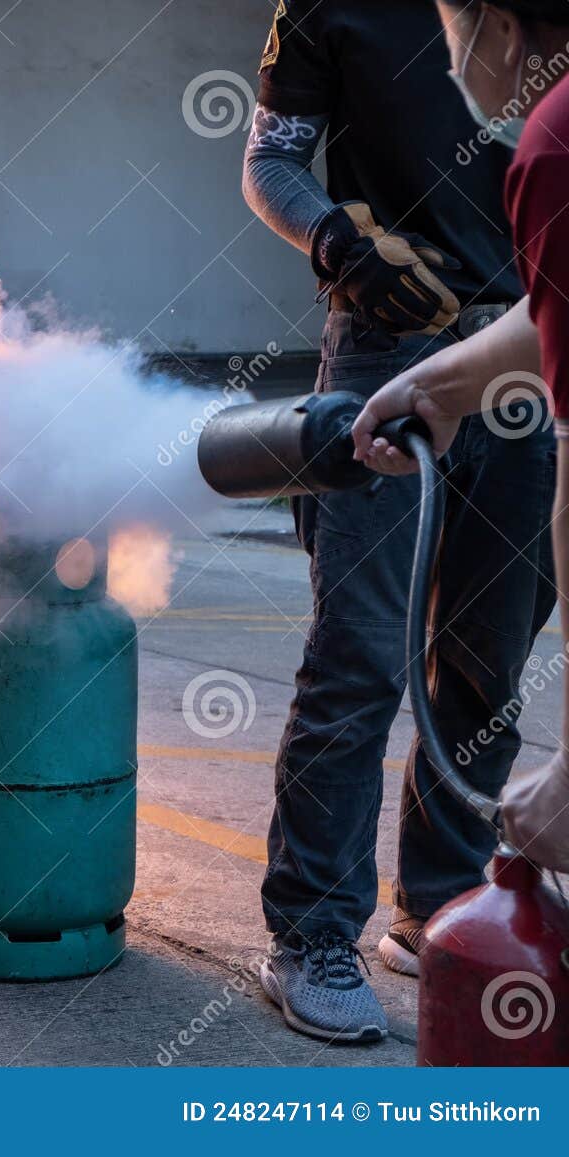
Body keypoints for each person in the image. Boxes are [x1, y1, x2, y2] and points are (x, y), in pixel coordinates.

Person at [241, 0, 556, 1043]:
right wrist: (334, 237)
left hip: (521, 347)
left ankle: (441, 903)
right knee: (358, 657)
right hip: (384, 346)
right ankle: (311, 932)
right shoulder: (328, 6)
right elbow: (270, 162)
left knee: (485, 658)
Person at [353, 0, 569, 878]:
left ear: (504, 30)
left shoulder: (555, 143)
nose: (449, 59)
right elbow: (557, 310)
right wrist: (436, 385)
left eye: (451, 24)